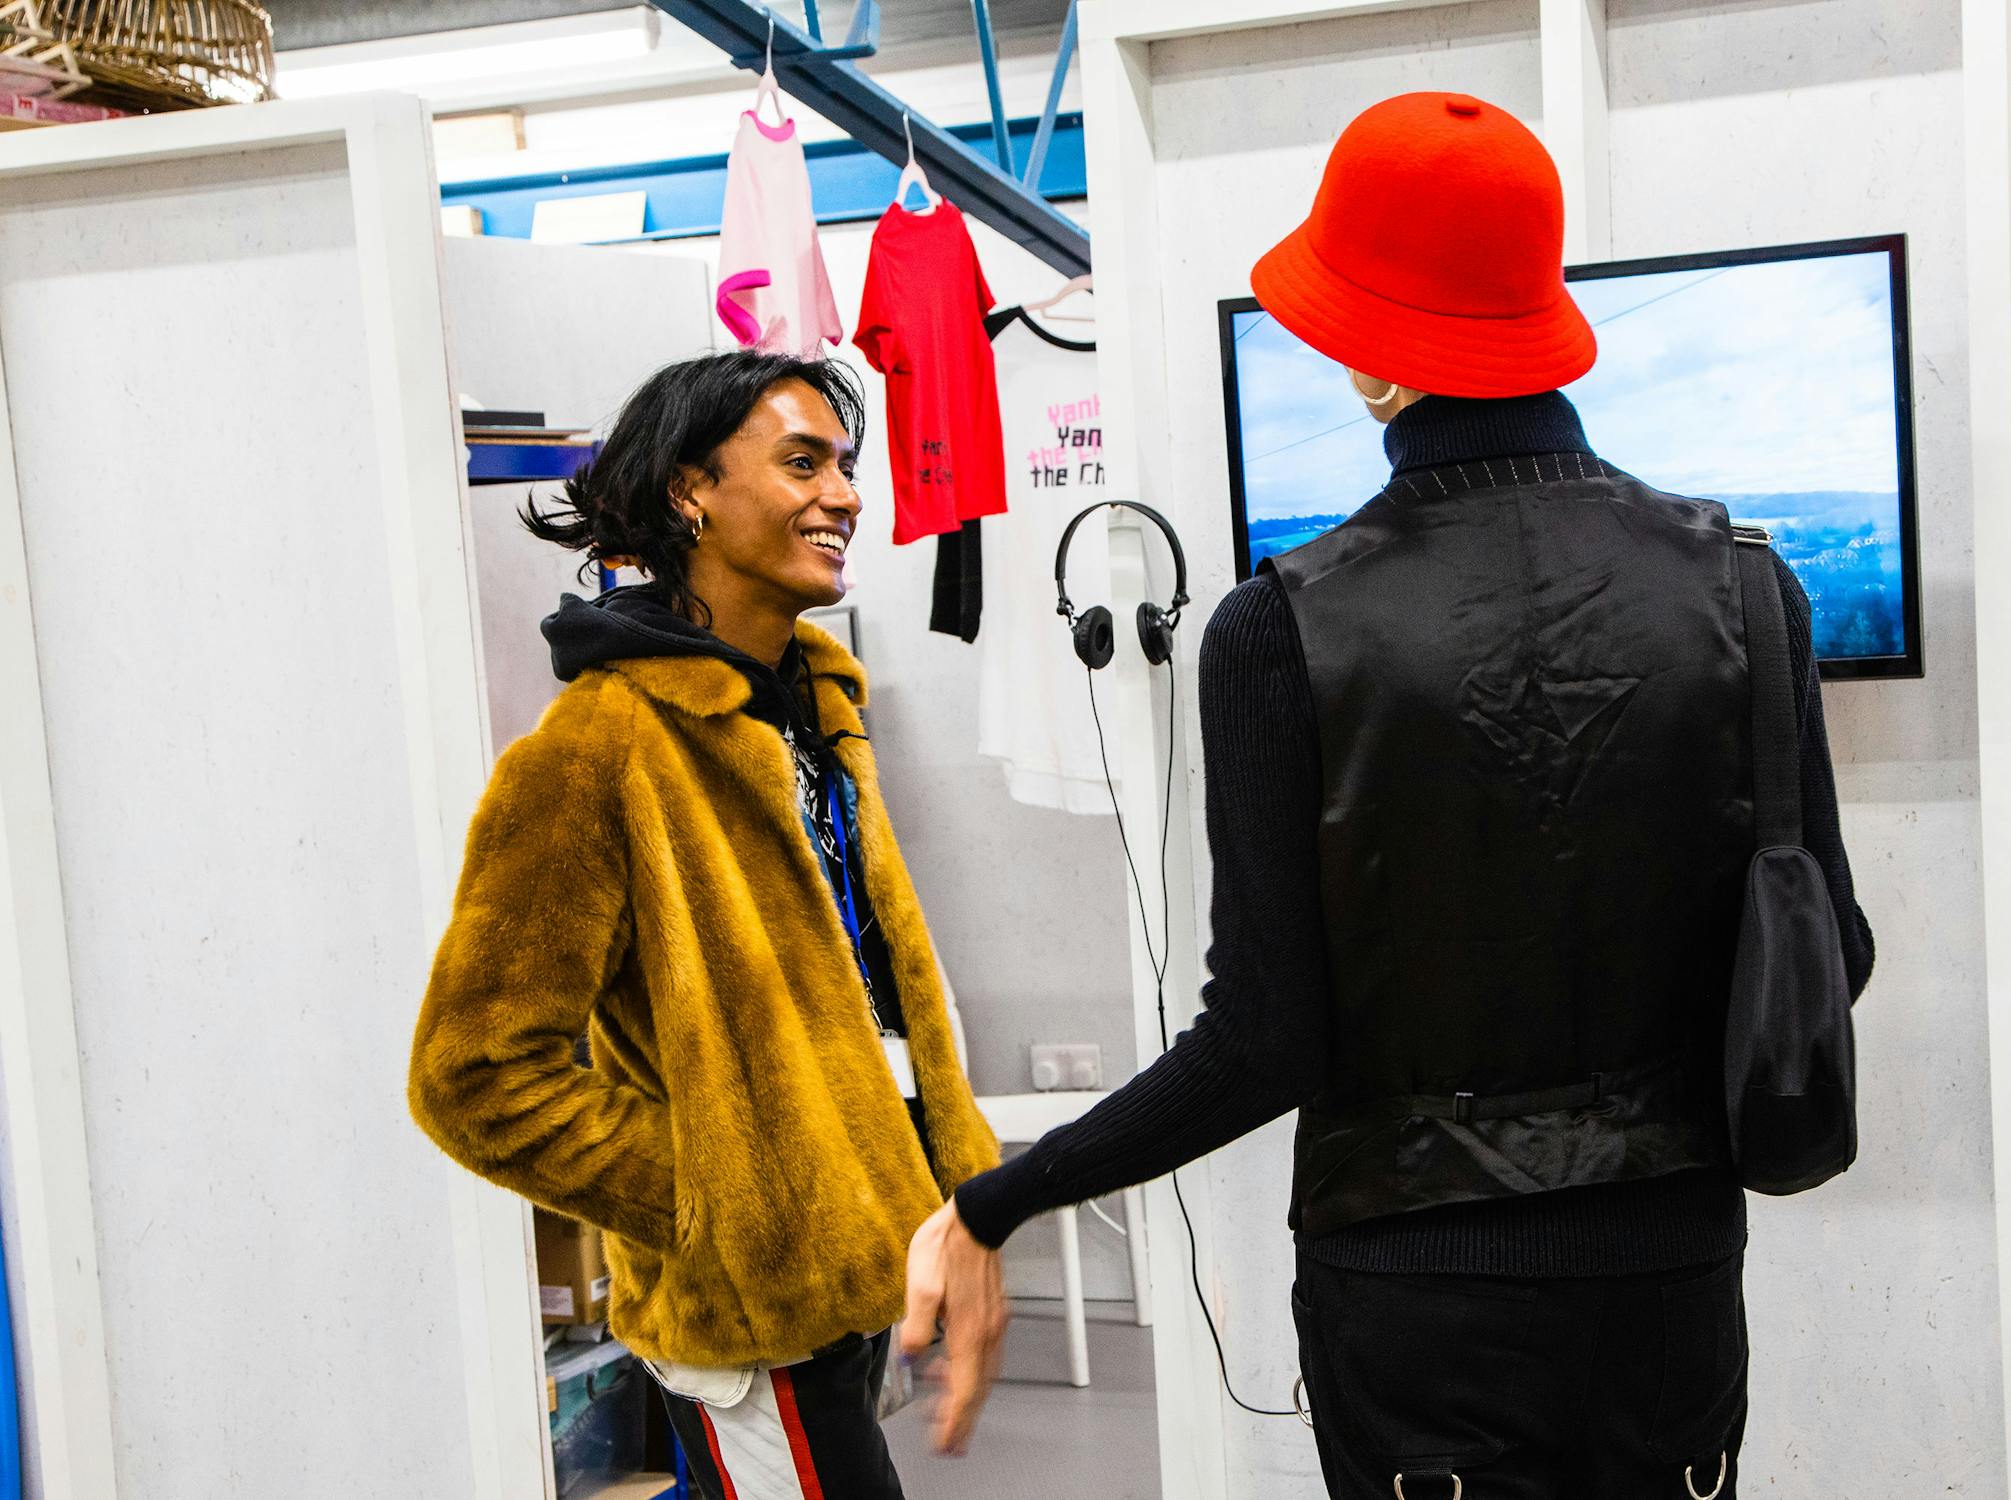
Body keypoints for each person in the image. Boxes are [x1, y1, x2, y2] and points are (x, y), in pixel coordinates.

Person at [904, 93, 1875, 1497]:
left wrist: (997, 1202)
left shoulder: (1280, 629)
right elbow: (1832, 950)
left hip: (1416, 1300)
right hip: (1670, 1281)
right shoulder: (1748, 589)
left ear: (1369, 363)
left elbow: (1263, 1044)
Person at [407, 350, 1002, 1500]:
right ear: (691, 493)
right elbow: (472, 1075)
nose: (846, 496)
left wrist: (954, 1190)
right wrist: (729, 1204)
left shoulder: (811, 708)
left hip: (868, 1260)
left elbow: (876, 983)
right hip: (754, 1311)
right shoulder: (595, 751)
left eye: (846, 465)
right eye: (802, 463)